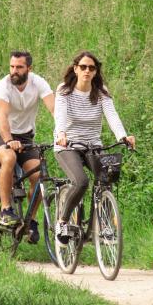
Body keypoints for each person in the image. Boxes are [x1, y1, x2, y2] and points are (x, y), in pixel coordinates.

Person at [54, 51, 135, 243]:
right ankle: (63, 221)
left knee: (105, 179)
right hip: (68, 145)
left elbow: (112, 115)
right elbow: (61, 115)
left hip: (92, 145)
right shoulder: (64, 90)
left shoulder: (101, 92)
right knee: (81, 182)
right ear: (75, 69)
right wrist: (61, 134)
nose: (87, 71)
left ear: (96, 71)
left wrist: (123, 136)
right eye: (83, 67)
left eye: (91, 68)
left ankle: (102, 227)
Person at [0, 50, 55, 242]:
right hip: (0, 134)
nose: (14, 71)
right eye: (12, 67)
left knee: (37, 174)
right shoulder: (3, 86)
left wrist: (62, 132)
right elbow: (1, 116)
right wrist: (8, 140)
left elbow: (54, 108)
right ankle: (5, 210)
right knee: (9, 158)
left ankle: (31, 221)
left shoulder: (38, 82)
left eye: (19, 67)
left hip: (25, 136)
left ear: (29, 69)